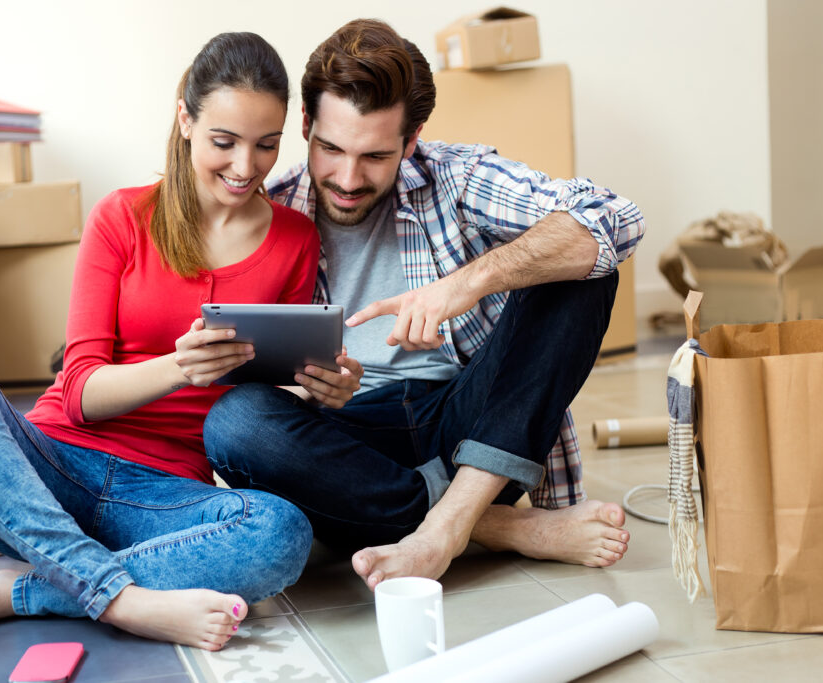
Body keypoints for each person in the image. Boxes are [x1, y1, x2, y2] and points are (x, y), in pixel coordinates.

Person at [0, 32, 348, 651]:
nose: (245, 167)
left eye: (266, 145)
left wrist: (323, 388)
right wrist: (176, 370)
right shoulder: (122, 217)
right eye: (224, 142)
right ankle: (125, 600)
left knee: (280, 533)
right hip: (53, 462)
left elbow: (271, 390)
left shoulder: (295, 237)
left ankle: (27, 585)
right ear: (185, 119)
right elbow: (76, 393)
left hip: (162, 497)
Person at [203, 19, 646, 591]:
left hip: (474, 430)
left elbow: (613, 218)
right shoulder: (272, 211)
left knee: (584, 265)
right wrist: (310, 387)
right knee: (236, 425)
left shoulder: (455, 178)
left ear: (410, 142)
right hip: (349, 446)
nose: (347, 178)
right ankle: (496, 528)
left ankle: (450, 524)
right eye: (331, 148)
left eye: (375, 156)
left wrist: (466, 284)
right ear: (307, 126)